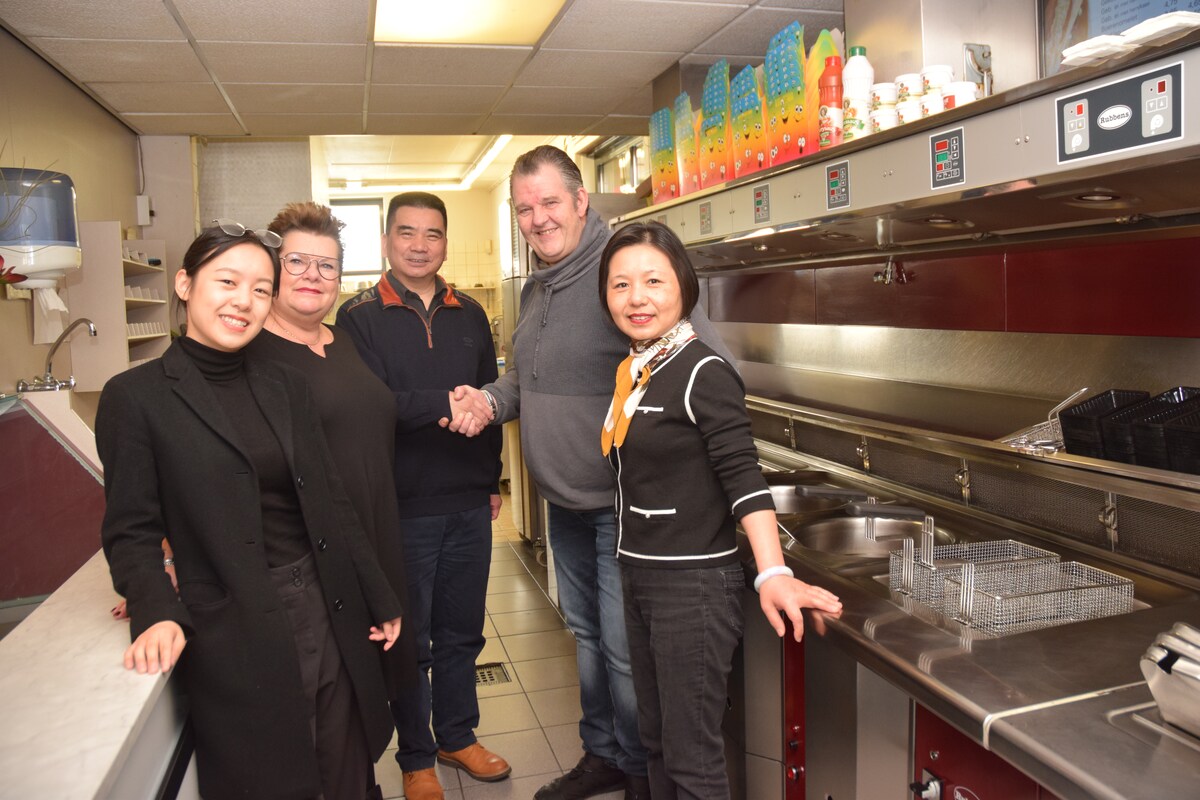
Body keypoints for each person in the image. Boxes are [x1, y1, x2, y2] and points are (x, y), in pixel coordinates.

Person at [448, 145, 735, 800]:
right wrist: (488, 400)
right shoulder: (539, 285)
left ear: (581, 201)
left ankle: (638, 774)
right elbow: (532, 381)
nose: (538, 219)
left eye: (550, 202)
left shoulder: (622, 269)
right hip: (566, 502)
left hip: (621, 507)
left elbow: (706, 365)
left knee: (625, 652)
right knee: (586, 638)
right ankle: (604, 753)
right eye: (525, 208)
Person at [96, 222, 402, 800]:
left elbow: (330, 500)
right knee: (271, 777)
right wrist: (155, 609)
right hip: (234, 621)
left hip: (325, 602)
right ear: (185, 284)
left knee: (347, 769)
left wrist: (378, 592)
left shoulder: (285, 384)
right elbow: (132, 529)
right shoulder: (135, 397)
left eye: (261, 289)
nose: (244, 301)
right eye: (227, 282)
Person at [599, 221, 843, 799]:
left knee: (692, 760)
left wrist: (772, 571)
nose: (636, 298)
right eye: (620, 284)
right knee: (656, 742)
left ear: (683, 286)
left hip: (692, 587)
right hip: (640, 574)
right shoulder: (639, 370)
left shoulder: (702, 371)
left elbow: (743, 476)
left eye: (653, 281)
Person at [337, 192, 508, 800]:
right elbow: (370, 405)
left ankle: (457, 736)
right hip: (401, 506)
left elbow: (491, 396)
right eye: (406, 232)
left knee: (463, 631)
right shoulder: (357, 317)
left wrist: (489, 480)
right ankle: (415, 756)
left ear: (445, 243)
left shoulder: (470, 314)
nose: (419, 245)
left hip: (467, 502)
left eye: (432, 234)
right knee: (410, 640)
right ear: (386, 240)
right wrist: (445, 404)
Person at [246, 201, 418, 696]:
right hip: (311, 557)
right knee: (333, 696)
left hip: (376, 538)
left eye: (327, 265)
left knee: (379, 689)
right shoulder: (252, 354)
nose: (312, 275)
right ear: (271, 271)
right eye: (296, 261)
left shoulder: (342, 341)